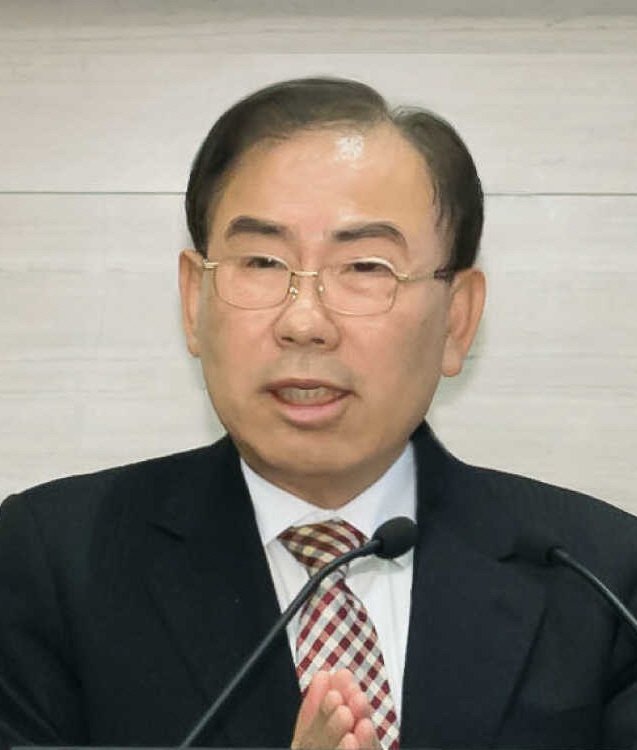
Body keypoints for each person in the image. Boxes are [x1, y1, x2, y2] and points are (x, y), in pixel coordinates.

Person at [1, 76, 636, 750]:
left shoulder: (599, 578)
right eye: (261, 262)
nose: (303, 322)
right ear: (193, 300)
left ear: (457, 318)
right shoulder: (53, 564)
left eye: (364, 267)